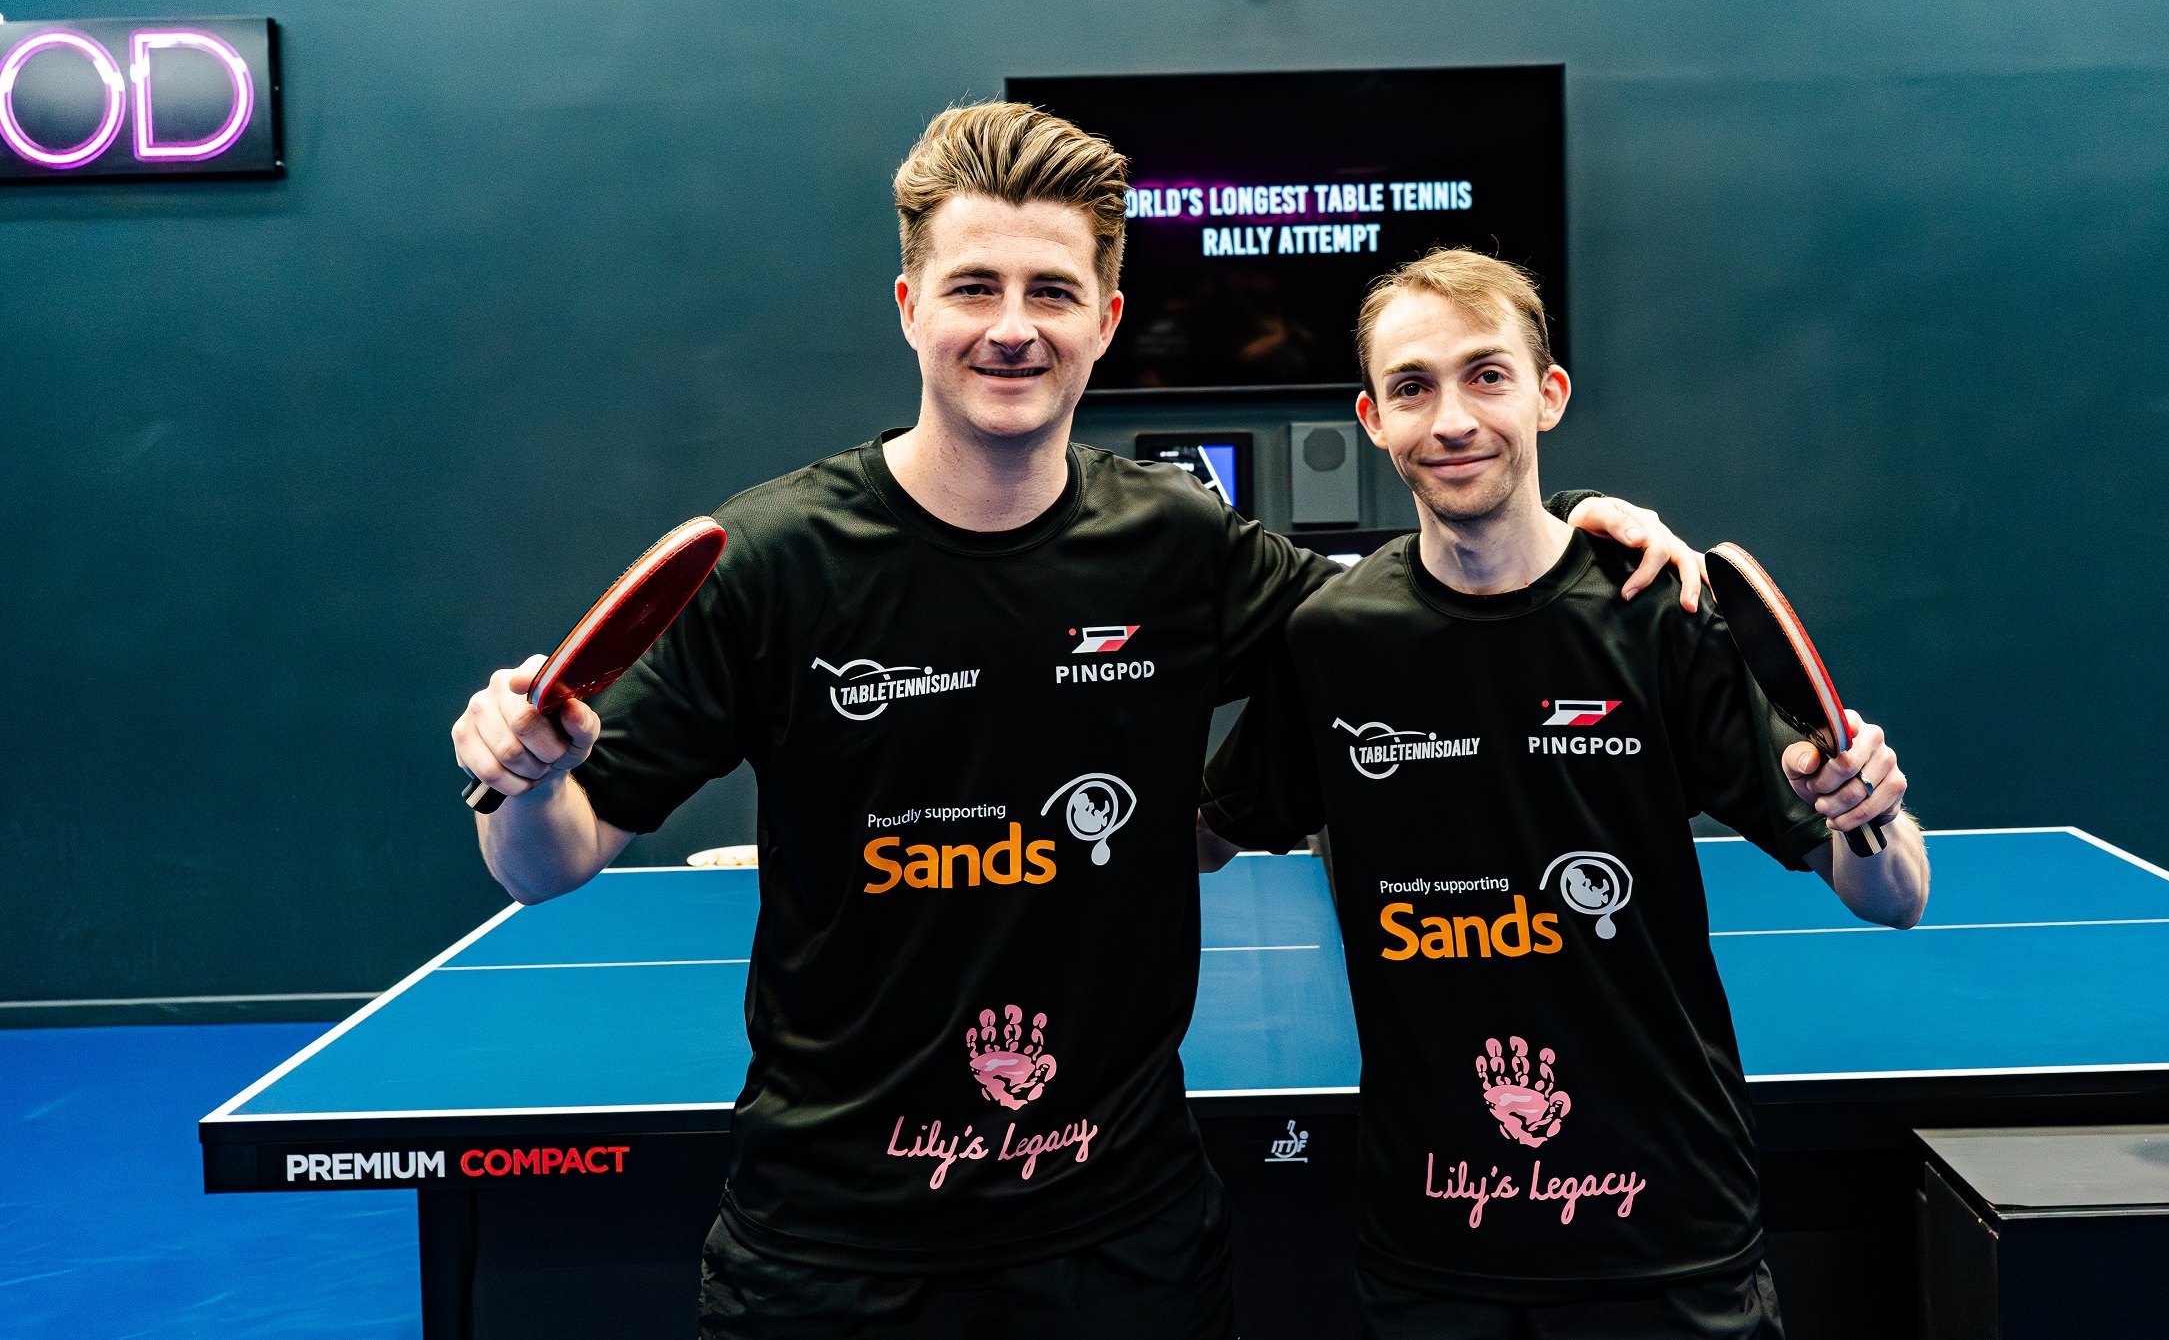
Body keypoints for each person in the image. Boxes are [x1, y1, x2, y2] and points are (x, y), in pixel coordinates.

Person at [448, 104, 1706, 1340]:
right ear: (909, 309)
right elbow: (548, 862)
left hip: (1119, 1248)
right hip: (829, 1251)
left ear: (1103, 321)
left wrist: (1572, 526)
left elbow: (1423, 621)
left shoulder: (1176, 546)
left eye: (1049, 292)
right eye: (972, 287)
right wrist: (520, 777)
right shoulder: (776, 557)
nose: (1010, 327)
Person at [1200, 248, 1930, 1340]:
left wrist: (1862, 809)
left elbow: (1893, 895)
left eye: (1486, 375)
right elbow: (1201, 834)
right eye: (1412, 386)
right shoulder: (1334, 642)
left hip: (1664, 1235)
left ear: (1547, 393)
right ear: (1372, 418)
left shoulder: (1653, 608)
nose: (1452, 418)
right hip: (1434, 1245)